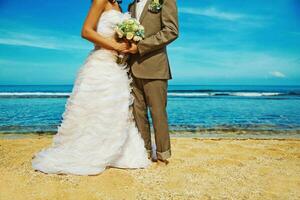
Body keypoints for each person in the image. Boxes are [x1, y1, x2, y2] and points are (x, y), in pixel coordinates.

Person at [31, 0, 150, 176]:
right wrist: (116, 46)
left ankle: (114, 151)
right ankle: (90, 150)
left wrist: (129, 43)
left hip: (117, 65)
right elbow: (86, 31)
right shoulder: (100, 0)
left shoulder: (120, 6)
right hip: (101, 62)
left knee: (114, 109)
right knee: (94, 107)